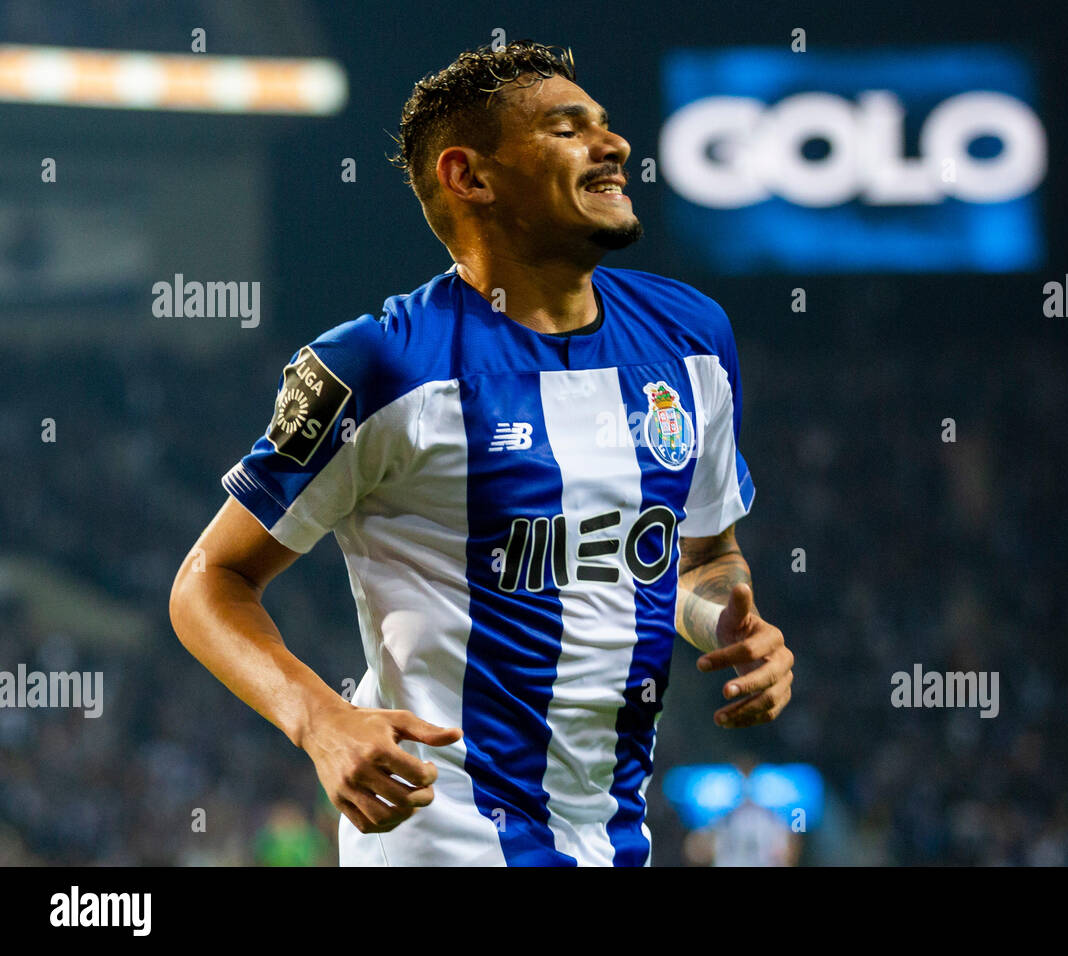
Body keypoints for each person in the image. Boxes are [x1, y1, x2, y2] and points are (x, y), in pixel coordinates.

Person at [169, 40, 793, 866]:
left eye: (605, 126)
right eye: (570, 130)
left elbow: (699, 560)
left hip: (613, 837)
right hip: (442, 831)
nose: (614, 147)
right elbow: (208, 582)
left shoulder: (691, 340)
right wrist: (320, 719)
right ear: (471, 176)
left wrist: (732, 620)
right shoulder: (382, 365)